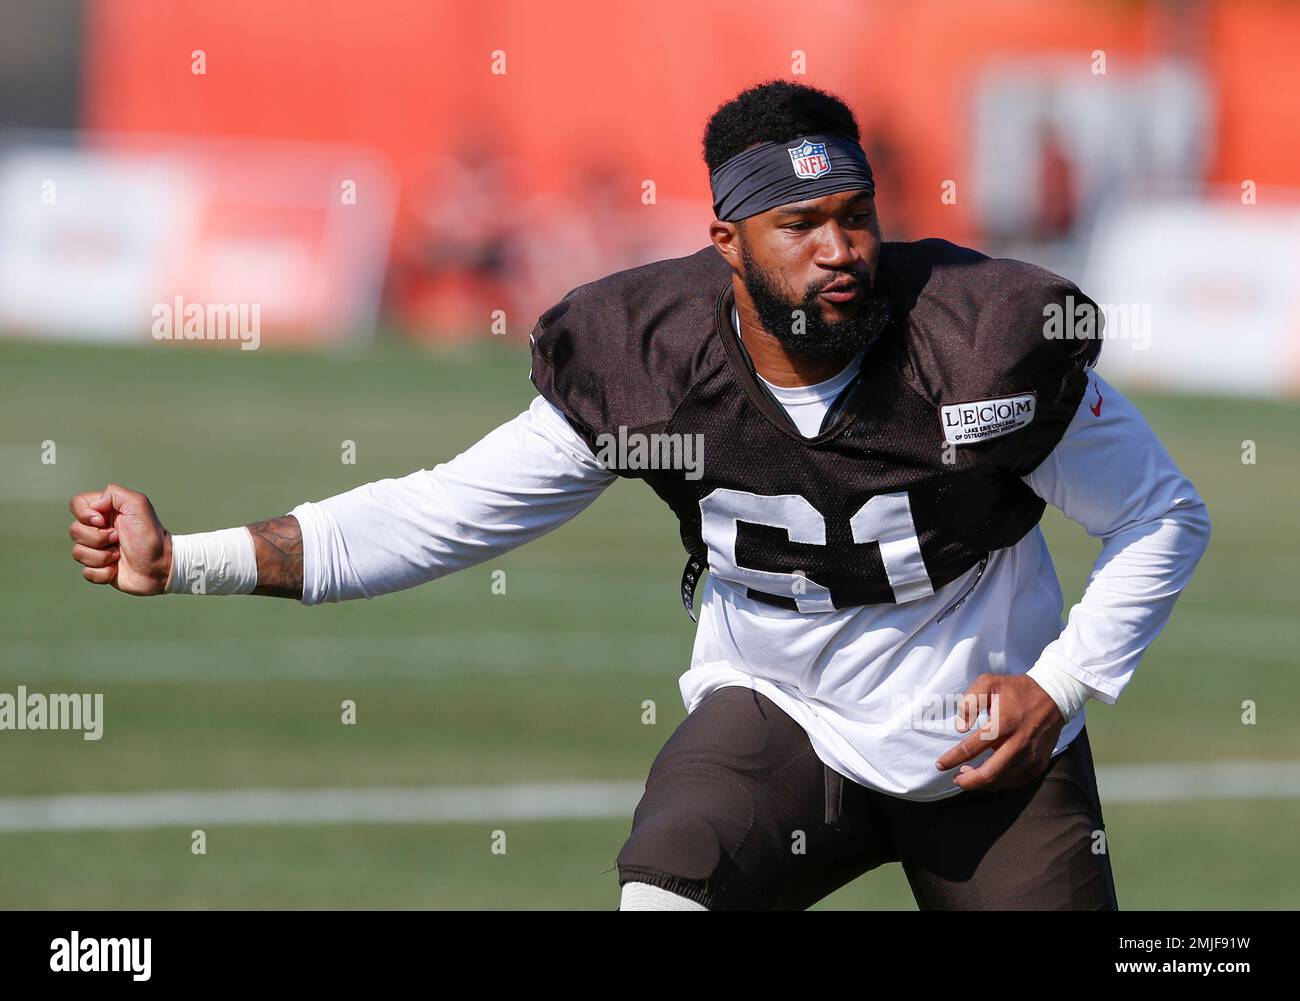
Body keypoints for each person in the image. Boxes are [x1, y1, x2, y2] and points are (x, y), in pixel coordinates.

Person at [68, 80, 1210, 910]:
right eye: (799, 225)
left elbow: (1163, 512)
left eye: (854, 215)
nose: (840, 250)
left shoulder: (979, 342)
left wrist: (1057, 687)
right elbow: (440, 512)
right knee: (663, 894)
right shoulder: (644, 360)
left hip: (984, 740)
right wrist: (189, 559)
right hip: (781, 715)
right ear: (727, 240)